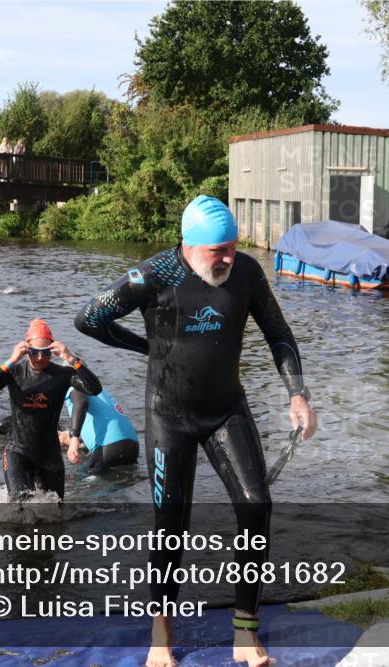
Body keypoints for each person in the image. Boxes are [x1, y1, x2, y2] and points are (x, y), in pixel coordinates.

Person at [75, 195, 317, 667]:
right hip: (170, 414)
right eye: (217, 251)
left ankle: (246, 633)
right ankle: (161, 636)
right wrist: (145, 347)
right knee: (171, 527)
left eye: (232, 246)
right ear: (189, 245)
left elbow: (278, 332)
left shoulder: (246, 272)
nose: (228, 257)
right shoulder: (151, 275)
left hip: (227, 409)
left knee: (256, 505)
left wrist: (297, 395)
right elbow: (89, 319)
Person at [0, 319, 102, 500]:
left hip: (50, 455)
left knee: (55, 511)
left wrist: (70, 358)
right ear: (26, 348)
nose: (39, 358)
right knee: (19, 504)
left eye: (45, 352)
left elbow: (94, 389)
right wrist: (12, 359)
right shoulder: (15, 372)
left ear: (52, 349)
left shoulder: (63, 374)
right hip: (18, 452)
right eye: (34, 352)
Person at [61, 386, 139, 475]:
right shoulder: (92, 385)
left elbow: (81, 401)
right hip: (132, 446)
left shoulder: (72, 385)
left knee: (78, 481)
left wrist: (74, 437)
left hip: (111, 446)